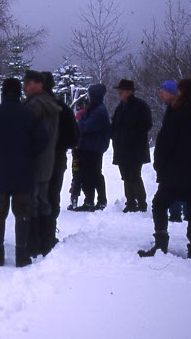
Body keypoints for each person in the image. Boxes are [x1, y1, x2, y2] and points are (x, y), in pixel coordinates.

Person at [139, 78, 191, 259]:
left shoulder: (176, 115)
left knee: (159, 204)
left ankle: (161, 244)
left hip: (175, 175)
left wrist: (160, 169)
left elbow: (164, 145)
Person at [0, 78, 48, 267]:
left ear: (3, 92)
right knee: (22, 213)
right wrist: (29, 154)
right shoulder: (29, 114)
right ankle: (21, 255)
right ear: (19, 93)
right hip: (23, 172)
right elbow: (42, 140)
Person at [22, 70, 61, 257]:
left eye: (28, 83)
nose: (24, 87)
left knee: (33, 202)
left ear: (39, 84)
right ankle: (46, 241)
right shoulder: (49, 103)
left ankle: (34, 244)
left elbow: (27, 133)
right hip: (47, 159)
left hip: (35, 160)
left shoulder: (35, 105)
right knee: (42, 201)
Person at [42, 71, 79, 255]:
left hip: (35, 160)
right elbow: (74, 137)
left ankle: (35, 235)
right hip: (56, 159)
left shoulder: (29, 107)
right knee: (52, 195)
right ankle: (48, 235)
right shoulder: (62, 108)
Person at [111, 79, 153, 213]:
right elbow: (114, 125)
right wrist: (113, 135)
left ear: (129, 92)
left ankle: (141, 203)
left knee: (134, 176)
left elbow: (147, 125)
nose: (119, 93)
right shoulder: (120, 107)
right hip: (121, 148)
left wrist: (131, 135)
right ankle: (130, 202)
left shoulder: (140, 106)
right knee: (126, 176)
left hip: (135, 149)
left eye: (121, 91)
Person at [74, 84, 111, 212]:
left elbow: (85, 126)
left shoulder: (99, 110)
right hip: (90, 146)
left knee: (93, 174)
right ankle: (92, 200)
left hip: (93, 147)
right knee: (90, 174)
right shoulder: (94, 109)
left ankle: (97, 201)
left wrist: (80, 123)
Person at [157, 80, 185, 222]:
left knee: (175, 184)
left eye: (162, 92)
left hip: (177, 155)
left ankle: (177, 212)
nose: (160, 95)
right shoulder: (171, 108)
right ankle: (180, 211)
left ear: (171, 93)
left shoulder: (178, 109)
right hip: (173, 155)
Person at [67, 97, 88, 211]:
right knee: (86, 174)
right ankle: (89, 198)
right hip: (87, 149)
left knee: (76, 174)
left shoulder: (79, 114)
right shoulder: (90, 114)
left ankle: (74, 198)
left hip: (77, 149)